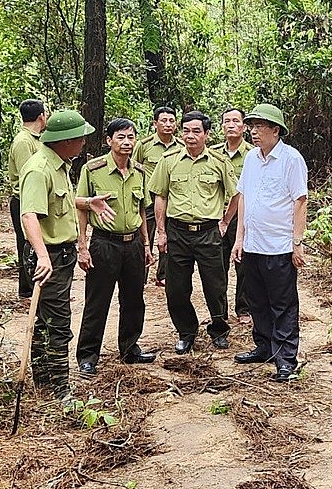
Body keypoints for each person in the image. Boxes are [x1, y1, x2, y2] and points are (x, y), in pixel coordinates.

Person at [19, 110, 115, 400]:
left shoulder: (59, 165)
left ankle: (44, 382)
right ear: (66, 141)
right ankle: (60, 389)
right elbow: (29, 215)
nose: (85, 141)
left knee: (47, 320)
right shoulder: (39, 168)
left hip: (60, 254)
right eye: (80, 137)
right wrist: (42, 256)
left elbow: (56, 200)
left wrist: (87, 203)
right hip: (47, 256)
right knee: (58, 323)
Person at [148, 110, 238, 354]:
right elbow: (160, 196)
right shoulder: (169, 160)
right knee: (176, 288)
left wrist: (225, 222)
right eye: (186, 130)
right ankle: (186, 332)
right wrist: (162, 232)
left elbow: (236, 194)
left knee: (215, 286)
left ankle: (219, 329)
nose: (190, 136)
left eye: (196, 131)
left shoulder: (219, 162)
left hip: (209, 232)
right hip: (178, 232)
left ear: (207, 134)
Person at [231, 103, 308, 382]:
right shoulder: (251, 159)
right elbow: (243, 198)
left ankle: (286, 358)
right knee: (257, 301)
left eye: (259, 126)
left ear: (276, 130)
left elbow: (300, 201)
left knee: (283, 303)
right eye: (251, 126)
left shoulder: (291, 159)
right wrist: (239, 238)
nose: (253, 132)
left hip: (279, 246)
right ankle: (264, 346)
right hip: (252, 245)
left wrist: (296, 242)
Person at [74, 118, 156, 378]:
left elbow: (141, 209)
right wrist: (83, 246)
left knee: (134, 301)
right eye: (120, 137)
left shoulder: (140, 172)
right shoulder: (93, 169)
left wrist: (146, 244)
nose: (126, 142)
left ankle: (130, 349)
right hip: (104, 244)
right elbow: (80, 206)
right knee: (97, 303)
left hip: (132, 244)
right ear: (109, 140)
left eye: (131, 137)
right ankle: (87, 357)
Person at [134, 106, 184, 286]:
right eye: (163, 121)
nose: (168, 125)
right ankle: (141, 274)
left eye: (172, 121)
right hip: (147, 199)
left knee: (170, 236)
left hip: (171, 199)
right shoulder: (144, 145)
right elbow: (134, 168)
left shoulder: (182, 146)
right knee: (144, 236)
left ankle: (163, 274)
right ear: (155, 123)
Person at [214, 107, 253, 325]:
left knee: (244, 265)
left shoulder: (253, 154)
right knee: (217, 267)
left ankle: (244, 309)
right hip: (216, 218)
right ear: (221, 127)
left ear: (244, 127)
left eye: (236, 121)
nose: (231, 125)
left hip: (242, 217)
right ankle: (219, 312)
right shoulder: (212, 153)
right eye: (226, 121)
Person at [7, 99, 47, 302]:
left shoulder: (37, 139)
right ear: (41, 116)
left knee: (36, 241)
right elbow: (27, 175)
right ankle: (27, 290)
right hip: (24, 200)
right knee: (27, 243)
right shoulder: (23, 141)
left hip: (35, 199)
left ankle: (37, 287)